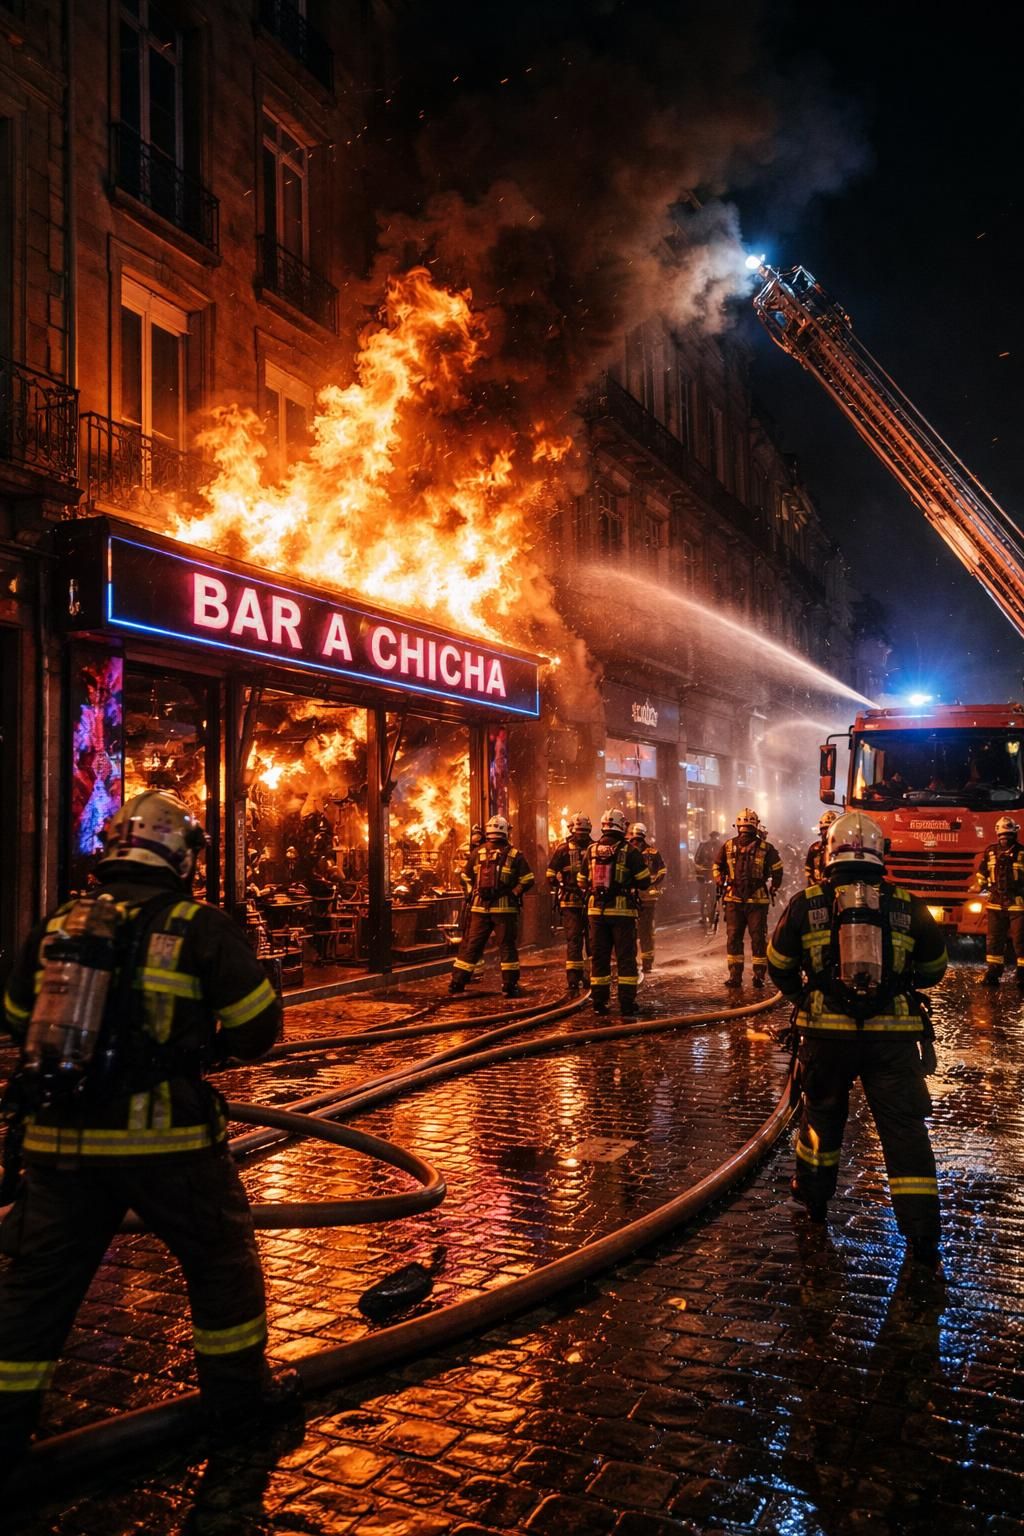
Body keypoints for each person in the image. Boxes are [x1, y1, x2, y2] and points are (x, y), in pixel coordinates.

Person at [0, 791, 297, 1479]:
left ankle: (5, 1429)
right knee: (220, 1264)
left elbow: (16, 1017)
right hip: (168, 1144)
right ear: (183, 856)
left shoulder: (60, 923)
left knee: (35, 1291)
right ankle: (237, 1402)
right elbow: (258, 1032)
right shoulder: (201, 926)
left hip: (60, 1142)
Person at [767, 809, 947, 1273]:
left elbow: (778, 962)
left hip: (826, 1039)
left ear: (829, 854)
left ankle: (813, 1201)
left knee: (821, 1121)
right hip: (893, 1043)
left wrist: (805, 997)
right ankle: (922, 1232)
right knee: (904, 1130)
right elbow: (934, 970)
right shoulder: (907, 904)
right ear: (879, 854)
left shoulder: (807, 903)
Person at [577, 809, 651, 1016]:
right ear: (622, 826)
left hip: (596, 912)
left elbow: (581, 881)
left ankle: (599, 1002)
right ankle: (627, 1003)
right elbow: (645, 881)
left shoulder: (591, 850)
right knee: (625, 958)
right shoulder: (630, 851)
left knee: (599, 957)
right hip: (622, 914)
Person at [449, 815, 534, 997]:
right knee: (507, 946)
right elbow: (528, 879)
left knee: (473, 945)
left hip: (479, 909)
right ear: (505, 832)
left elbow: (464, 876)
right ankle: (509, 985)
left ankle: (457, 982)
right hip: (505, 910)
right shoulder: (514, 855)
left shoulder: (477, 853)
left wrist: (472, 892)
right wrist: (514, 893)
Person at [712, 808, 784, 988]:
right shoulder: (731, 846)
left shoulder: (764, 848)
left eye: (746, 829)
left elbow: (777, 868)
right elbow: (717, 866)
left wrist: (720, 880)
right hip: (742, 900)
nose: (744, 832)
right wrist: (720, 879)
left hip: (749, 901)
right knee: (755, 938)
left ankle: (743, 976)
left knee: (737, 938)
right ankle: (748, 976)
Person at [546, 812, 593, 995]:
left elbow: (550, 875)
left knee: (576, 940)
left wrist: (561, 886)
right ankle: (586, 978)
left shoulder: (563, 849)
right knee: (589, 941)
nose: (581, 835)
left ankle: (576, 980)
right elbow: (550, 874)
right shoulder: (595, 847)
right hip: (588, 901)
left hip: (573, 901)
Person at [975, 815, 1024, 987]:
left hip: (1017, 904)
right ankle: (993, 972)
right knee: (994, 940)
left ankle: (1022, 974)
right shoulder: (990, 852)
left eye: (1008, 836)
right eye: (1002, 836)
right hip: (995, 903)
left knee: (1020, 940)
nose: (1005, 839)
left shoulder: (1022, 853)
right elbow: (982, 874)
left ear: (1014, 835)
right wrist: (978, 885)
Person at [627, 823, 667, 973]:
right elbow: (662, 871)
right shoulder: (652, 852)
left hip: (636, 898)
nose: (635, 842)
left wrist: (653, 882)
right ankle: (645, 963)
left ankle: (643, 962)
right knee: (645, 931)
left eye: (637, 839)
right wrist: (653, 882)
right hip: (643, 897)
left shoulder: (627, 851)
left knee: (638, 931)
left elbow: (662, 870)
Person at [804, 808, 841, 885]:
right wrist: (812, 884)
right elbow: (808, 870)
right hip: (817, 889)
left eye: (829, 829)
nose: (826, 832)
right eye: (824, 829)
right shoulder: (815, 849)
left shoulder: (841, 849)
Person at [693, 831, 718, 927]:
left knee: (707, 895)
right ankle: (704, 914)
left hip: (707, 874)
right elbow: (697, 860)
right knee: (705, 896)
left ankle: (705, 915)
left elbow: (697, 859)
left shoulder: (704, 846)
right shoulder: (716, 846)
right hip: (706, 874)